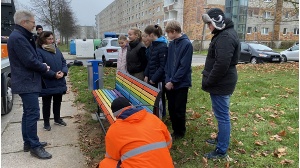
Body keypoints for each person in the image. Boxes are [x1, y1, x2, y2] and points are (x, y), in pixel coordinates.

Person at [7, 10, 52, 159]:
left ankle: (28, 142)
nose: (34, 25)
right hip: (27, 81)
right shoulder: (19, 38)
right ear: (24, 22)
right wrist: (43, 67)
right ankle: (34, 146)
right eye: (33, 22)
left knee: (28, 113)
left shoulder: (20, 36)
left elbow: (30, 57)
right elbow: (29, 61)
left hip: (27, 80)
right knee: (33, 113)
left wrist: (40, 64)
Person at [201, 8, 240, 159]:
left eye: (210, 23)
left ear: (217, 21)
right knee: (221, 114)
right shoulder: (224, 34)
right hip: (222, 81)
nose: (209, 27)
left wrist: (209, 80)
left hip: (221, 82)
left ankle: (221, 150)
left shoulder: (225, 36)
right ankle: (220, 140)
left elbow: (222, 64)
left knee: (223, 116)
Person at [98, 97, 174, 168]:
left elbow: (112, 157)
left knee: (105, 163)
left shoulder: (114, 130)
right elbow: (169, 142)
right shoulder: (153, 118)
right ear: (131, 106)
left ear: (116, 115)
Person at [164, 20, 193, 140]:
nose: (167, 36)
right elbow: (168, 64)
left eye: (168, 33)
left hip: (181, 84)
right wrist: (167, 80)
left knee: (179, 108)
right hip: (169, 82)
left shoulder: (187, 44)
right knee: (171, 107)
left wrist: (173, 81)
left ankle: (180, 132)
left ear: (174, 31)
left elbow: (184, 66)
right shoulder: (171, 44)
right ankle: (175, 129)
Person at [36, 31, 68, 131]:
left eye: (52, 38)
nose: (52, 40)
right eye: (49, 39)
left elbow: (63, 62)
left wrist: (63, 72)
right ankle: (46, 122)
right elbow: (40, 67)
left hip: (59, 80)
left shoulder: (56, 50)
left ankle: (57, 119)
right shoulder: (39, 51)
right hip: (47, 82)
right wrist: (54, 75)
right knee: (46, 103)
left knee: (58, 101)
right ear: (43, 40)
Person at [143, 24, 168, 118]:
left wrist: (154, 78)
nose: (146, 38)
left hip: (159, 79)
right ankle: (154, 116)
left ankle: (160, 117)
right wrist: (146, 75)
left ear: (152, 35)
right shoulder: (153, 45)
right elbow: (150, 62)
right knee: (153, 98)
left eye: (147, 35)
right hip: (151, 78)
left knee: (159, 99)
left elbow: (163, 66)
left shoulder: (162, 46)